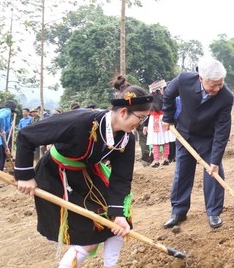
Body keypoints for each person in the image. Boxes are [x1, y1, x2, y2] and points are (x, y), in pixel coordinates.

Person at [14, 85, 153, 268]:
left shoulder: (127, 138)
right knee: (87, 238)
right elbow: (27, 135)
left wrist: (118, 213)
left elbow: (121, 178)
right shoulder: (80, 122)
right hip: (57, 175)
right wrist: (24, 175)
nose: (141, 123)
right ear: (123, 112)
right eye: (141, 118)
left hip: (89, 174)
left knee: (119, 222)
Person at [162, 58, 234, 230]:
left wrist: (215, 160)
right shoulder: (184, 80)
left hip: (208, 139)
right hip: (185, 134)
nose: (217, 89)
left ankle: (213, 213)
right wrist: (167, 117)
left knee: (214, 173)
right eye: (213, 85)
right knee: (182, 173)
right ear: (201, 78)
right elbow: (168, 95)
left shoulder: (226, 97)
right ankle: (178, 212)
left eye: (220, 84)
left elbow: (222, 131)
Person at [144, 80, 175, 167]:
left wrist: (145, 125)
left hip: (153, 120)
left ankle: (156, 159)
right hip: (164, 119)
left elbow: (147, 114)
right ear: (160, 88)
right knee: (166, 140)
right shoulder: (164, 97)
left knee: (155, 141)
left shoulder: (149, 99)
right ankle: (165, 158)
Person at [0, 100, 17, 189]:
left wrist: (6, 148)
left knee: (2, 157)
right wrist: (3, 130)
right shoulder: (6, 111)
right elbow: (1, 119)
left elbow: (3, 134)